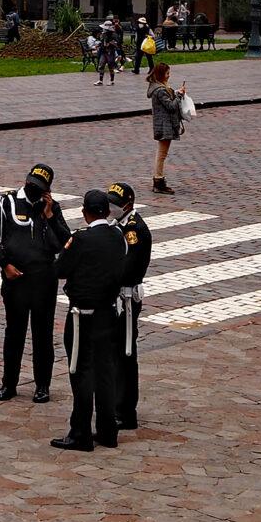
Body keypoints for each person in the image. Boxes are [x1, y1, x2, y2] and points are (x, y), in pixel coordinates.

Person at [0, 163, 70, 404]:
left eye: (39, 188)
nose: (33, 190)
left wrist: (50, 216)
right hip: (16, 280)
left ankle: (42, 385)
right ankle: (9, 383)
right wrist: (4, 265)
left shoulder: (52, 209)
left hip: (43, 280)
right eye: (31, 185)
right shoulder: (7, 203)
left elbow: (65, 242)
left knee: (42, 335)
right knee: (14, 333)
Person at [50, 189, 128, 452]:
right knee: (105, 372)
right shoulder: (117, 235)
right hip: (108, 312)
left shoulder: (81, 239)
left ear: (85, 212)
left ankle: (80, 432)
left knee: (81, 372)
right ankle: (108, 430)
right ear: (106, 211)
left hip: (83, 315)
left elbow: (61, 269)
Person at [108, 180, 152, 431]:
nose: (111, 208)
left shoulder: (133, 229)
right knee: (116, 352)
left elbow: (128, 267)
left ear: (129, 204)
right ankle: (117, 404)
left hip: (125, 297)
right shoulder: (120, 224)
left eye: (115, 205)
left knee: (125, 352)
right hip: (118, 297)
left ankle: (125, 411)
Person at [147, 61, 186, 193]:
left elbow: (168, 98)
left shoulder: (159, 88)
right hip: (165, 126)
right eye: (167, 73)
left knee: (161, 153)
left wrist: (176, 92)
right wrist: (179, 96)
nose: (169, 75)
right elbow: (171, 106)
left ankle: (158, 179)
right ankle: (158, 181)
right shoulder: (160, 90)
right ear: (161, 74)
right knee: (162, 154)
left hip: (163, 124)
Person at [95, 19, 121, 85]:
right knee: (101, 65)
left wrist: (111, 43)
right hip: (103, 52)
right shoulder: (103, 35)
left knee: (110, 66)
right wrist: (99, 45)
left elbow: (117, 44)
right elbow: (102, 42)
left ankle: (112, 81)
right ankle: (100, 80)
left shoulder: (114, 35)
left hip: (110, 52)